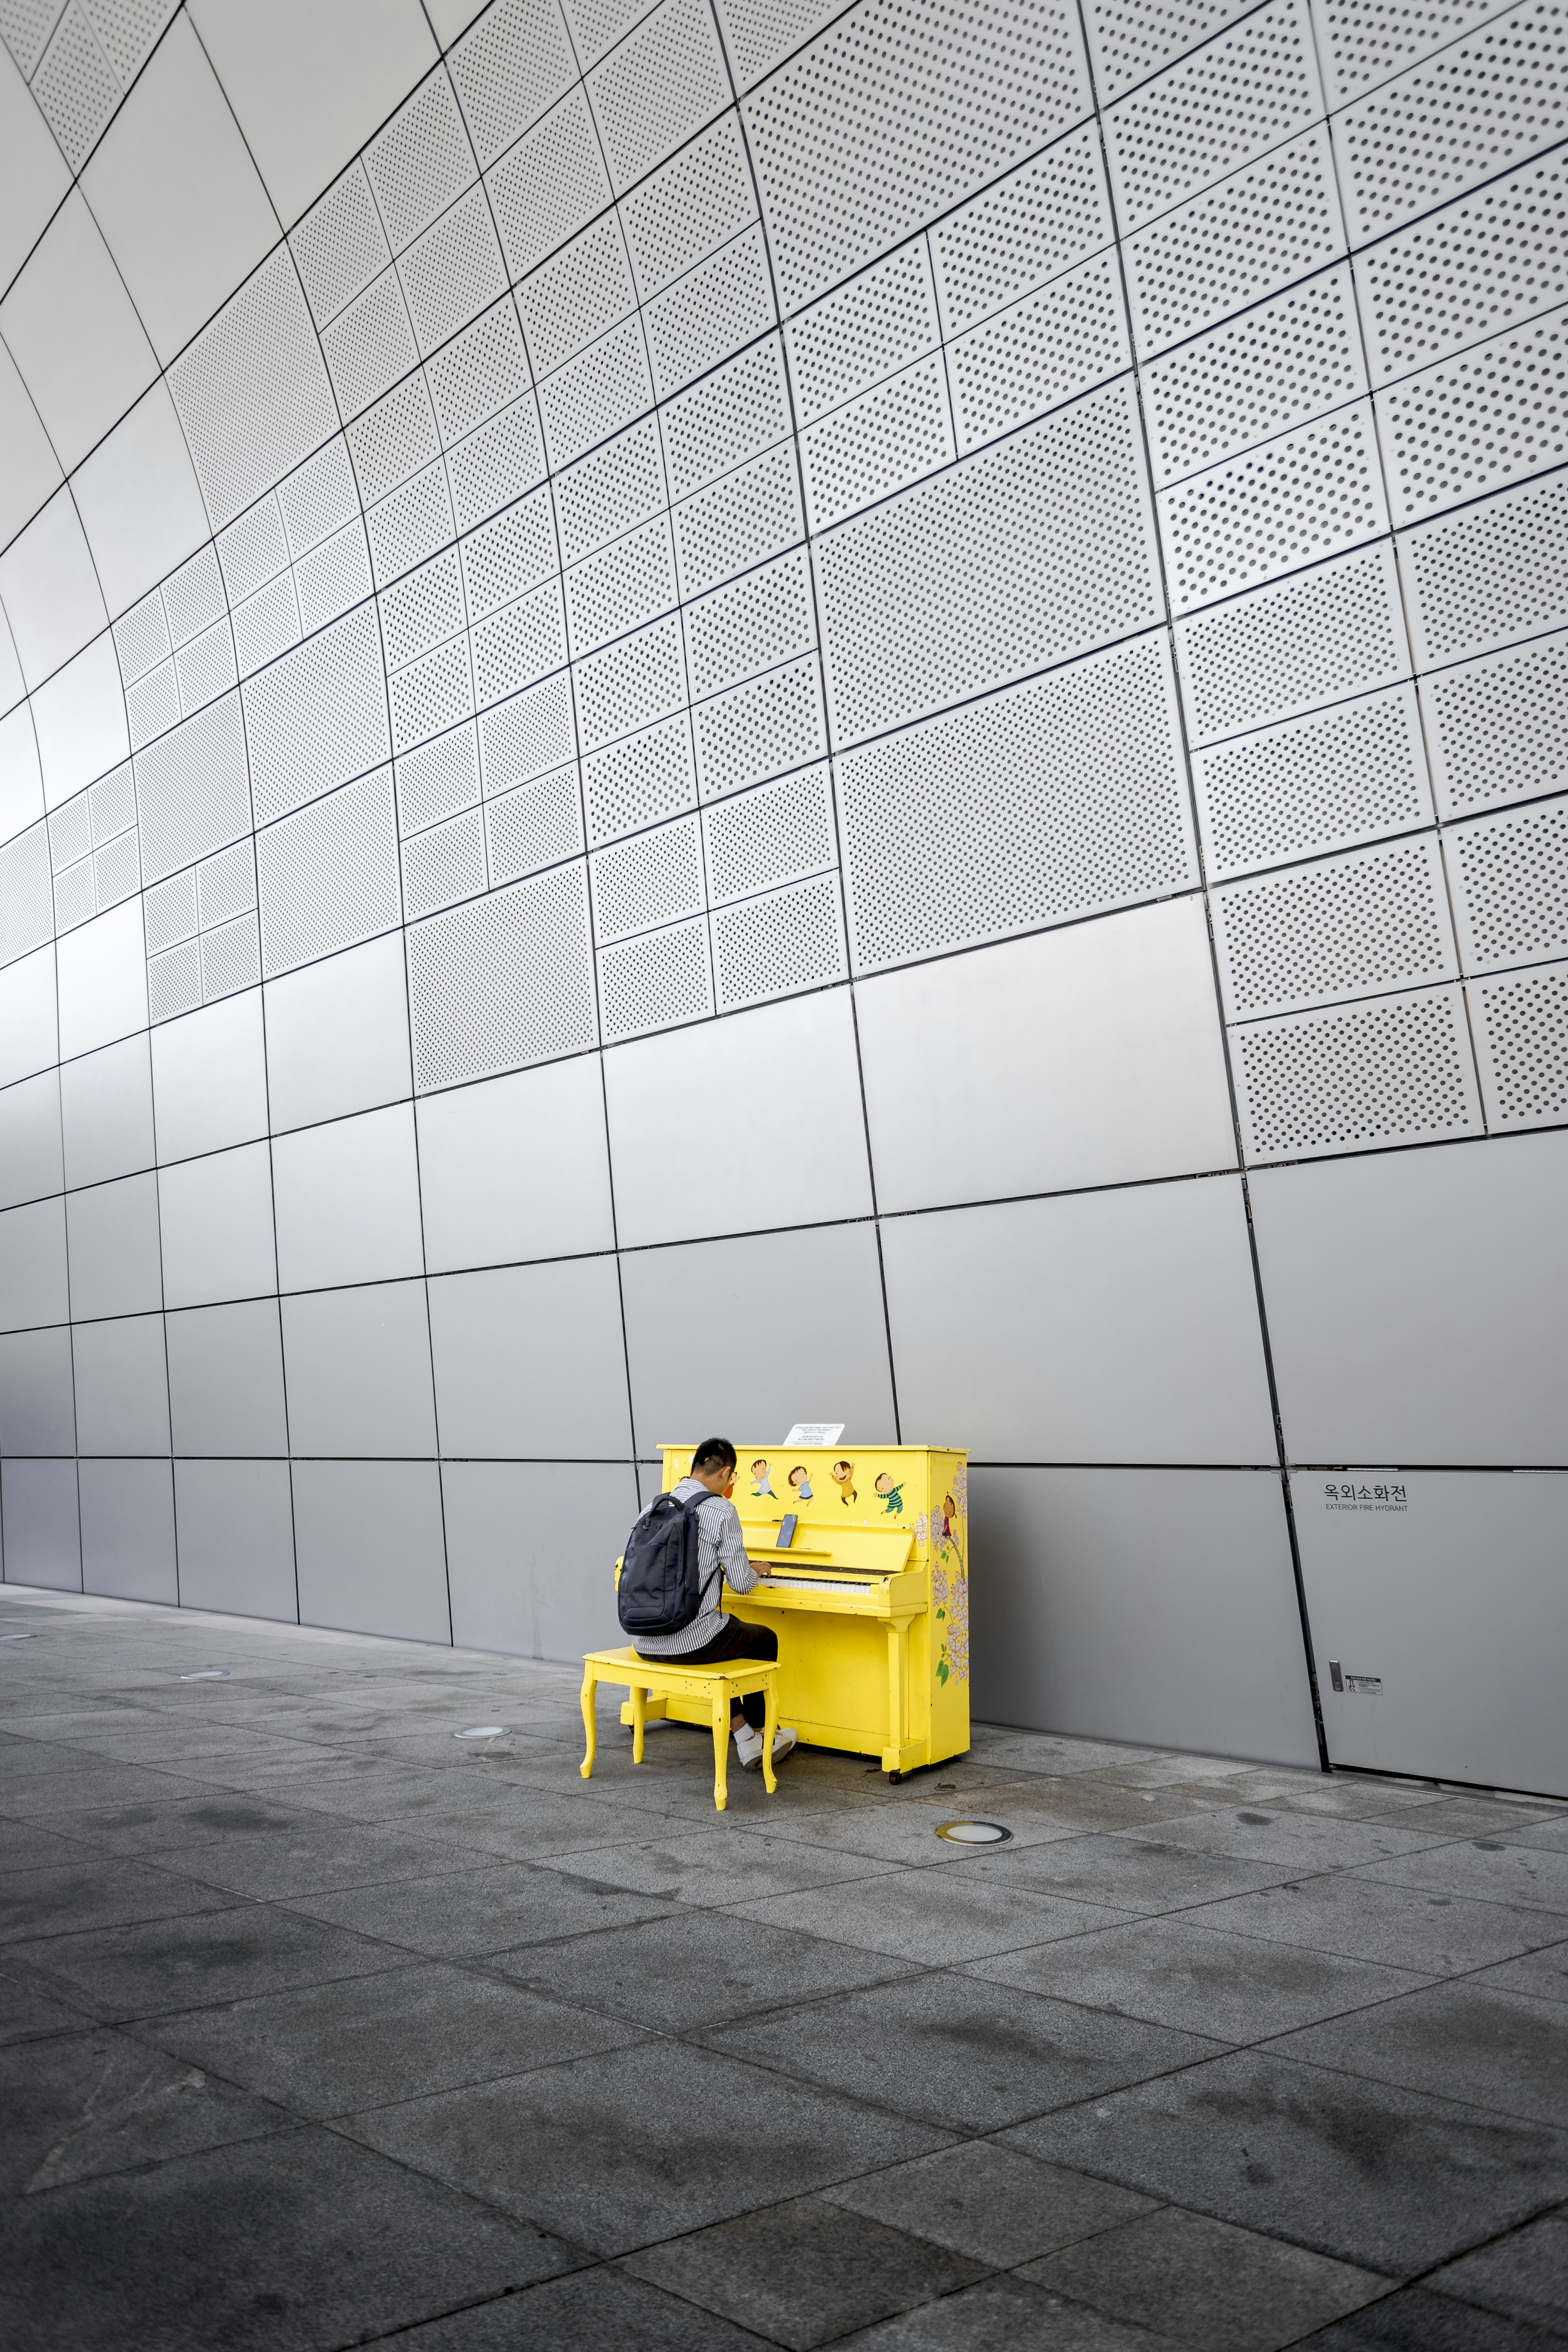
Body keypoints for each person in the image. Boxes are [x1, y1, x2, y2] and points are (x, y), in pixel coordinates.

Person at [631, 1437, 797, 1771]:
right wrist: (753, 1568)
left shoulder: (652, 1507)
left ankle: (743, 1732)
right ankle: (763, 1736)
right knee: (763, 1639)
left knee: (730, 1635)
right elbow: (742, 1584)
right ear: (725, 1472)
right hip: (691, 1642)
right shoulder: (721, 1509)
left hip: (644, 1639)